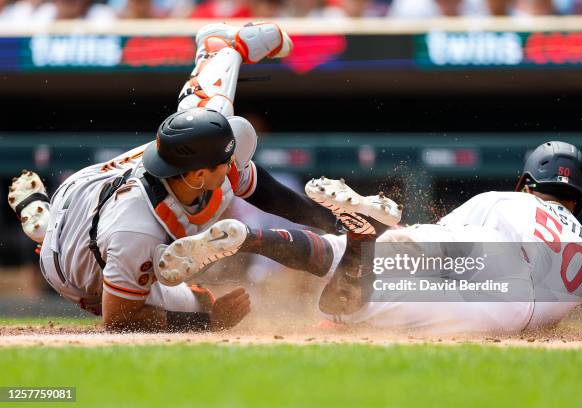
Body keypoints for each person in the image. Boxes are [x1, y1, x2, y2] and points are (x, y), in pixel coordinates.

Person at [9, 22, 338, 332]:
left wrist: (334, 222)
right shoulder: (136, 230)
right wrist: (208, 322)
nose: (234, 163)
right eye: (226, 161)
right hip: (74, 270)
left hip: (87, 192)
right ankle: (46, 229)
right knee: (199, 304)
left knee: (208, 114)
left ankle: (221, 48)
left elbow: (269, 192)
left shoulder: (188, 155)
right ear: (198, 174)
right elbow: (118, 319)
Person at [161, 141, 582, 334]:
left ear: (527, 180)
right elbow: (551, 312)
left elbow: (442, 243)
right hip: (510, 306)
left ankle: (259, 237)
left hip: (488, 249)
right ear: (577, 198)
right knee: (348, 303)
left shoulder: (508, 200)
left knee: (372, 258)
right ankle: (363, 238)